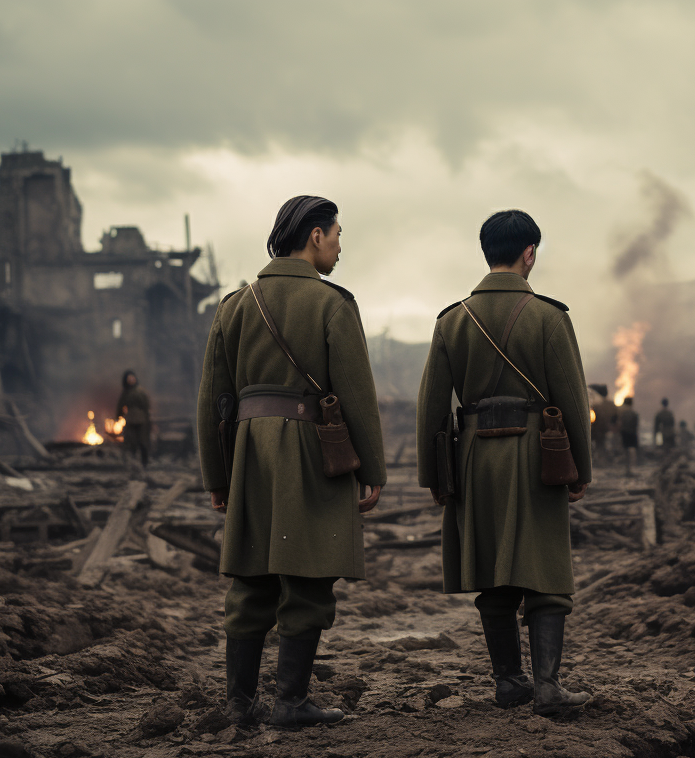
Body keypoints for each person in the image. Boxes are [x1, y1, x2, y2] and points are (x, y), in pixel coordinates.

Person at [196, 195, 386, 728]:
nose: (340, 245)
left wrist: (217, 473)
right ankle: (291, 702)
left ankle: (238, 704)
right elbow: (356, 395)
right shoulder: (333, 305)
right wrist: (371, 470)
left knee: (251, 578)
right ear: (316, 237)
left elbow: (214, 400)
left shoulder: (234, 305)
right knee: (308, 575)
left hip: (249, 452)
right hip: (310, 450)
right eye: (338, 234)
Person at [415, 209, 593, 716]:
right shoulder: (549, 317)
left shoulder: (452, 319)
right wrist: (580, 467)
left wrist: (435, 475)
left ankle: (509, 683)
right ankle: (549, 687)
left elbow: (431, 406)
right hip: (539, 458)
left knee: (494, 576)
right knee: (546, 572)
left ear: (486, 252)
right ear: (529, 253)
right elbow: (574, 402)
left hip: (473, 460)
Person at [115, 370, 152, 467]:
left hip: (142, 420)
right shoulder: (126, 393)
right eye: (129, 379)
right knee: (132, 444)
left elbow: (146, 406)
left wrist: (147, 420)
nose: (131, 380)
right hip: (131, 420)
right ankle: (133, 464)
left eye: (132, 378)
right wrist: (119, 416)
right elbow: (120, 406)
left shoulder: (140, 392)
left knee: (143, 443)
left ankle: (144, 464)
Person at [588, 384, 616, 462]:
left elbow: (593, 418)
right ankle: (602, 459)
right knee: (601, 444)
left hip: (598, 428)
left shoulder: (597, 404)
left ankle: (600, 459)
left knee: (599, 444)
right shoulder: (611, 404)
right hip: (606, 428)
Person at [618, 396, 640, 475]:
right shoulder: (634, 413)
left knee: (626, 451)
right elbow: (636, 425)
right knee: (633, 450)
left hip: (625, 433)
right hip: (632, 433)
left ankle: (627, 468)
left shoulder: (622, 413)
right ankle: (632, 467)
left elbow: (620, 423)